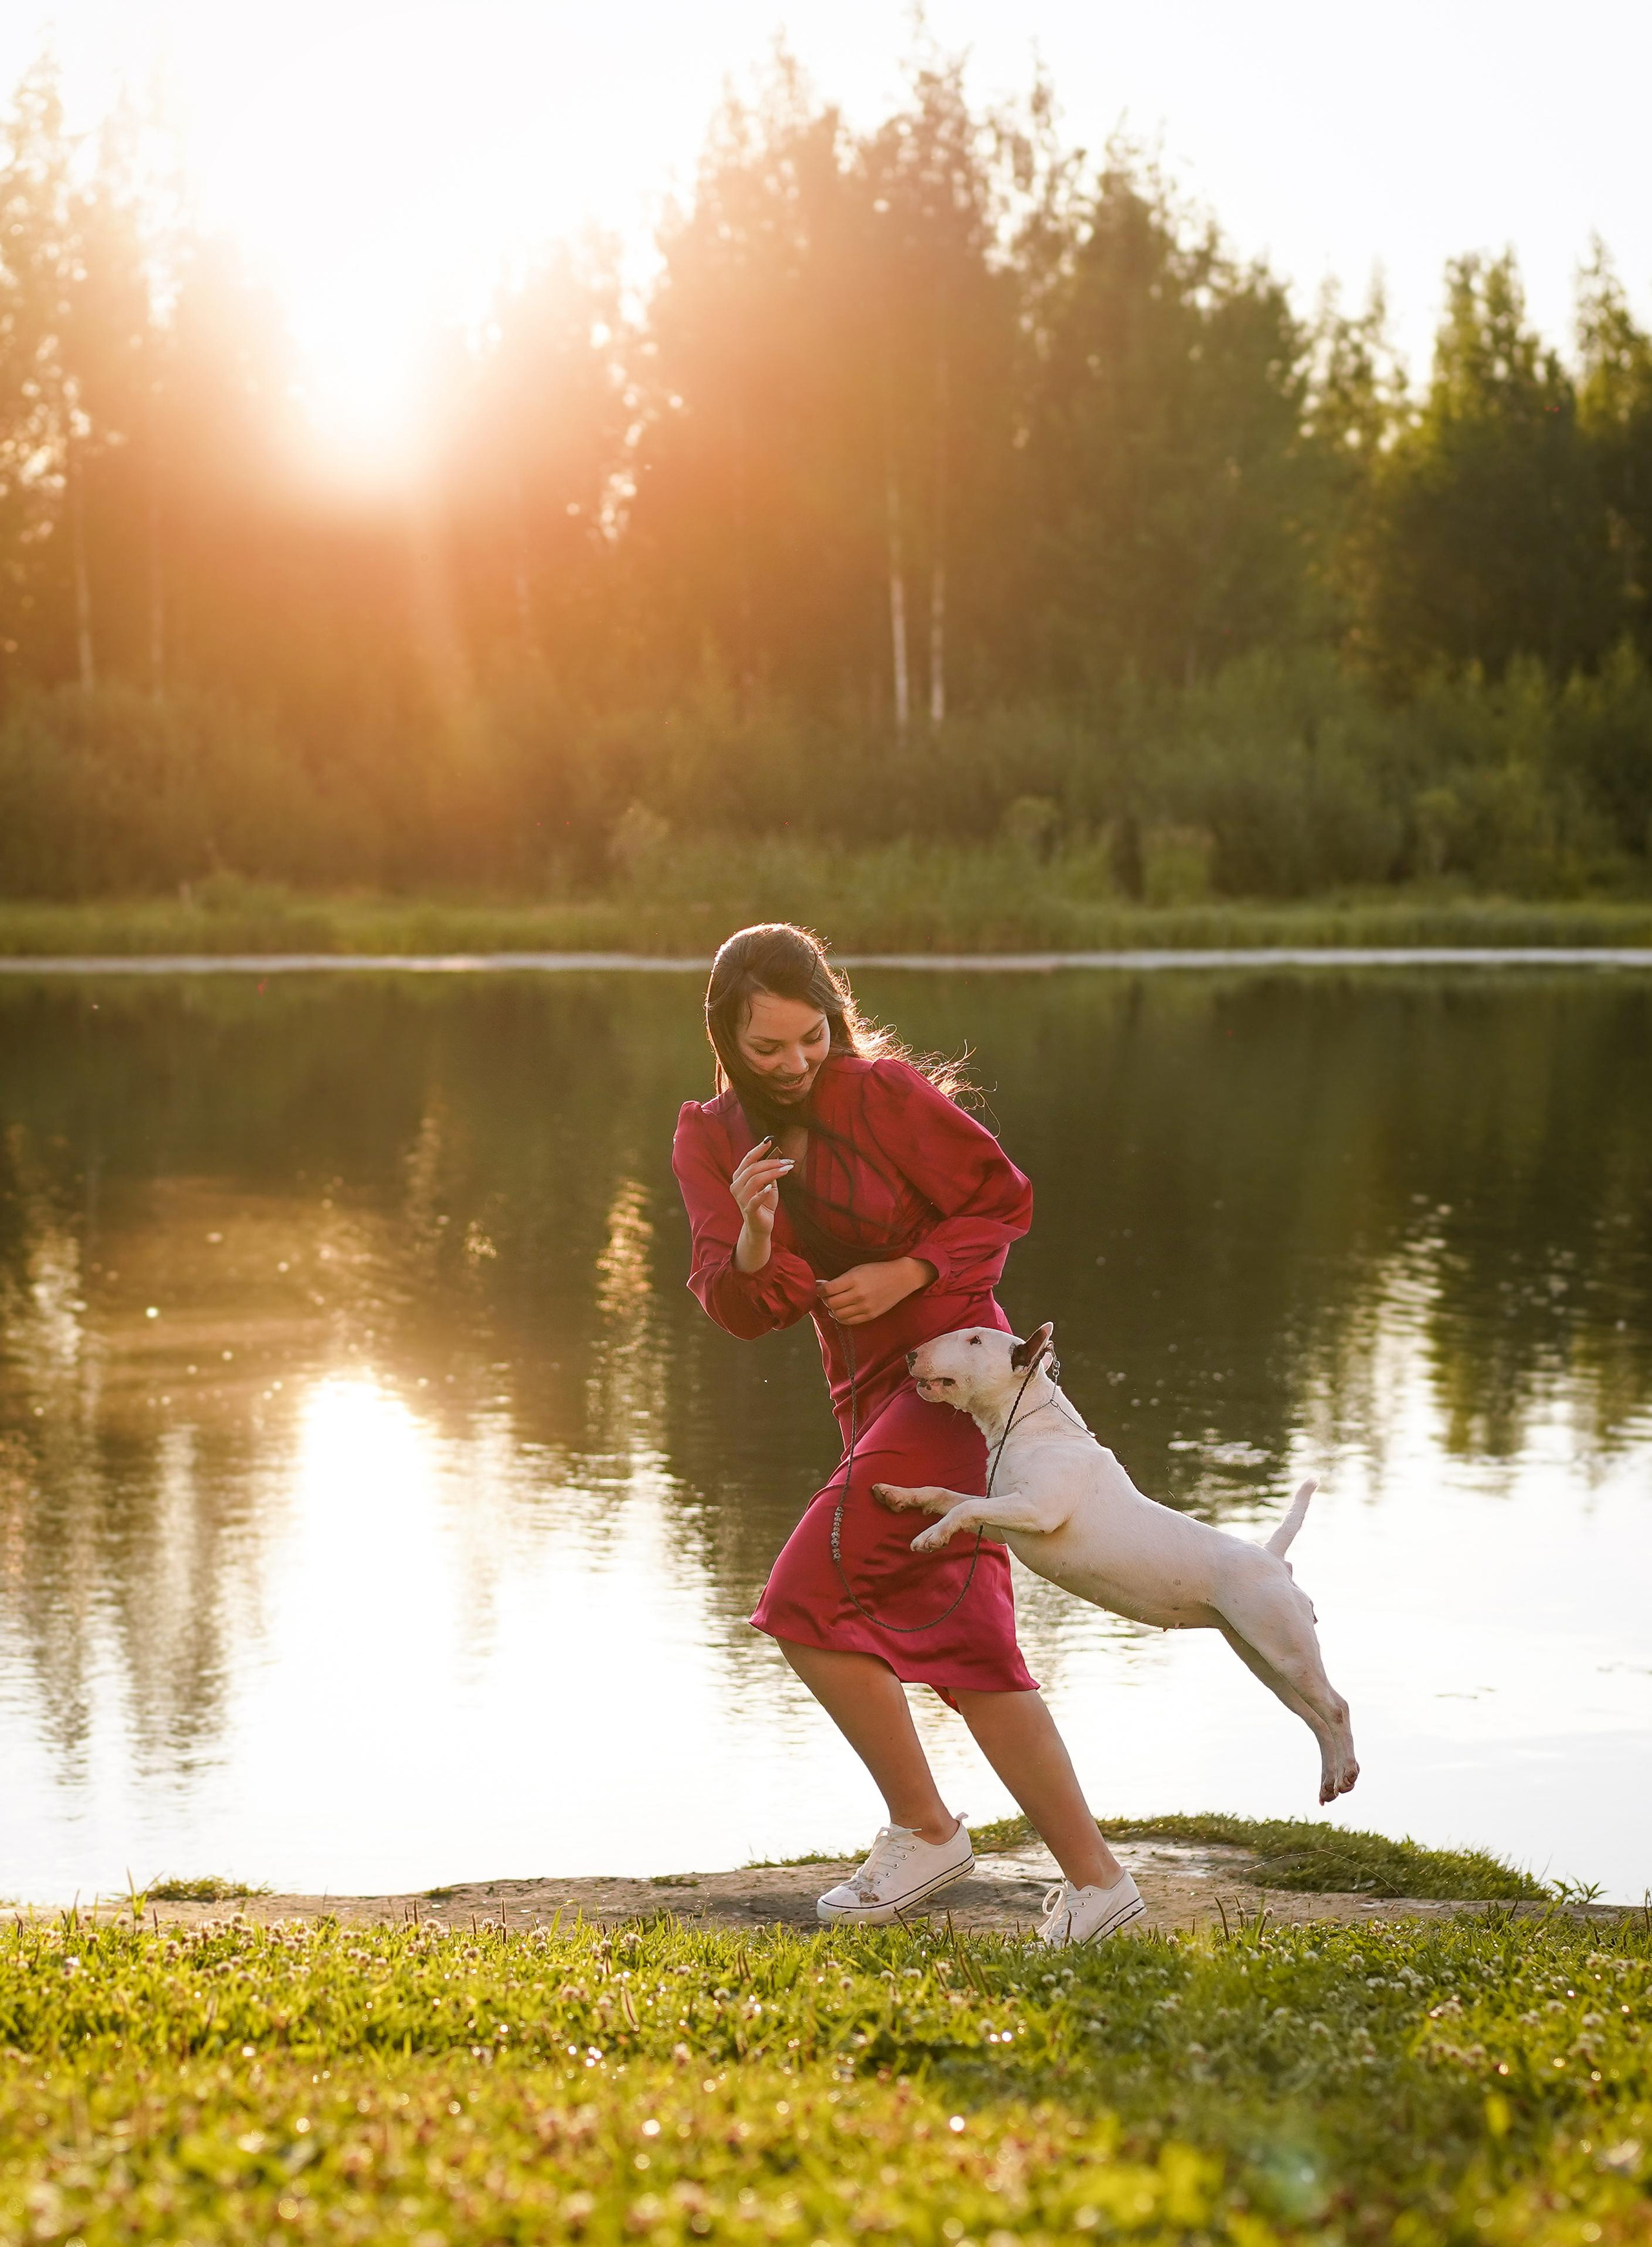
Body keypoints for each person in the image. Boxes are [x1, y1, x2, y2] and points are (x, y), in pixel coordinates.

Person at [671, 922, 1143, 1947]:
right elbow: (733, 1301)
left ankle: (927, 1829)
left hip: (958, 1383)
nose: (798, 1064)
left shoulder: (882, 1095)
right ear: (723, 1038)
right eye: (770, 1050)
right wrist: (755, 1237)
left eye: (813, 1037)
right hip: (863, 1389)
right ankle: (1101, 1888)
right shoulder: (709, 1140)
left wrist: (908, 1273)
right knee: (970, 1644)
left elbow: (1001, 1199)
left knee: (804, 1597)